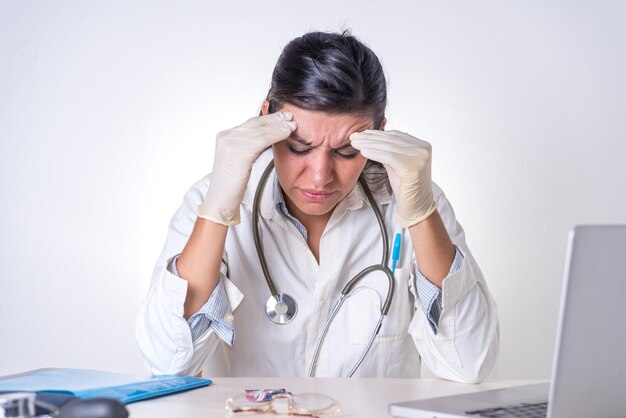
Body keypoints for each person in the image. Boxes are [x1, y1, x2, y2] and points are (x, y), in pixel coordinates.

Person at [135, 31, 499, 382]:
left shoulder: (414, 200)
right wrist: (217, 210)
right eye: (298, 147)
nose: (320, 176)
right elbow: (169, 364)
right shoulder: (211, 201)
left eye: (346, 151)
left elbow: (468, 364)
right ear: (266, 120)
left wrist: (420, 214)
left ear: (379, 133)